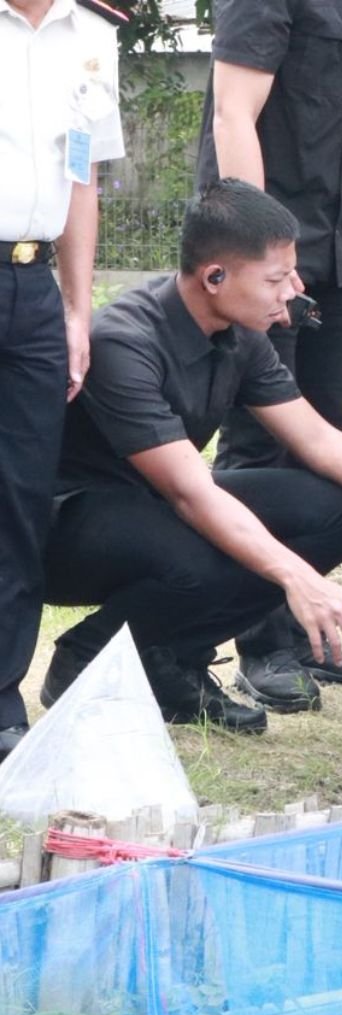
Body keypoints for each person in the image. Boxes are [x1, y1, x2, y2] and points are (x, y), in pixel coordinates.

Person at [39, 180, 342, 733]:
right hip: (67, 527)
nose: (293, 291)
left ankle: (171, 656)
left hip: (153, 505)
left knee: (336, 513)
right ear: (215, 277)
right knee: (205, 550)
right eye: (276, 279)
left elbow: (318, 440)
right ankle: (86, 657)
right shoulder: (124, 342)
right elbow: (190, 494)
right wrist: (297, 578)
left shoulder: (239, 331)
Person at [198, 0, 342, 472]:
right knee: (258, 447)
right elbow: (233, 115)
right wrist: (263, 258)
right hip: (262, 265)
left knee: (331, 442)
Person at [0, 0, 124, 761]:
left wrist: (78, 310)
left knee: (21, 496)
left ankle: (1, 694)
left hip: (34, 287)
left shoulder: (93, 36)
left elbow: (83, 176)